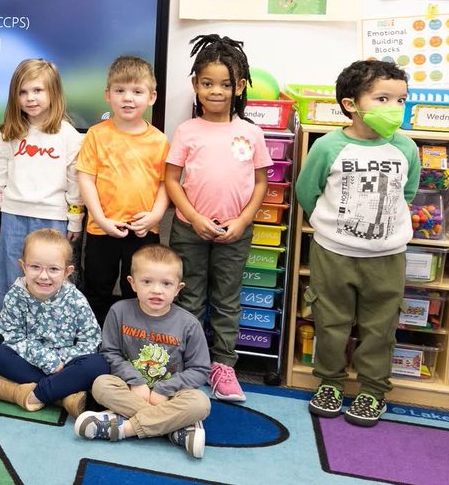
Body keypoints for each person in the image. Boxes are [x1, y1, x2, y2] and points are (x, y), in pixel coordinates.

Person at [295, 60, 420, 427]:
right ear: (351, 104)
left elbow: (407, 193)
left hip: (387, 257)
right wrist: (330, 226)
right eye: (383, 99)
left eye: (401, 100)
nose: (395, 108)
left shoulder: (406, 148)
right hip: (334, 254)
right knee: (330, 322)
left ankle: (373, 390)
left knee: (380, 327)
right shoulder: (328, 147)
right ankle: (330, 383)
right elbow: (307, 191)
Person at [165, 36, 271, 402]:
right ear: (195, 84)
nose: (216, 91)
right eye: (208, 83)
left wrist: (242, 221)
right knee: (189, 297)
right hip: (189, 228)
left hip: (234, 231)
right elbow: (172, 179)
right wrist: (194, 217)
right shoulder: (186, 130)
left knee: (226, 300)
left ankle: (223, 365)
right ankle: (188, 362)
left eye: (225, 84)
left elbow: (261, 182)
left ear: (239, 86)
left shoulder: (251, 132)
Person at [76, 245, 212, 459]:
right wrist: (136, 381)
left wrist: (164, 389)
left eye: (166, 283)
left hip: (170, 395)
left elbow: (200, 369)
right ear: (132, 283)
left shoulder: (189, 324)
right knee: (101, 385)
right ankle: (176, 428)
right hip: (130, 389)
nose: (156, 290)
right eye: (147, 282)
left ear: (178, 288)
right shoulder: (119, 311)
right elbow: (109, 352)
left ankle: (124, 427)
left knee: (200, 403)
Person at [0, 59, 84, 331]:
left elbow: (74, 182)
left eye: (38, 90)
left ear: (53, 92)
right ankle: (3, 340)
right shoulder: (9, 132)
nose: (30, 98)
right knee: (10, 281)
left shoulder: (68, 135)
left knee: (50, 282)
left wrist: (75, 221)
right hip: (13, 216)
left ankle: (51, 337)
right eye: (23, 92)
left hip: (53, 219)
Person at [76, 55, 170, 324]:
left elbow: (165, 184)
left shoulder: (159, 140)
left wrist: (155, 217)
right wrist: (101, 219)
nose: (128, 98)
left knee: (139, 291)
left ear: (151, 97)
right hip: (102, 229)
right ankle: (94, 340)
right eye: (120, 91)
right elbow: (86, 180)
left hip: (143, 229)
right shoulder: (96, 135)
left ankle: (134, 339)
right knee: (97, 289)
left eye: (137, 91)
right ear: (108, 95)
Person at [0, 228, 108, 417]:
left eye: (53, 269)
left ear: (67, 272)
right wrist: (46, 360)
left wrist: (60, 360)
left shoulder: (75, 299)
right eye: (35, 267)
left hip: (67, 364)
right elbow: (13, 338)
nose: (43, 276)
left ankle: (36, 394)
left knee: (99, 364)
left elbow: (90, 341)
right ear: (23, 266)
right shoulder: (15, 296)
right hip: (31, 361)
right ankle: (63, 396)